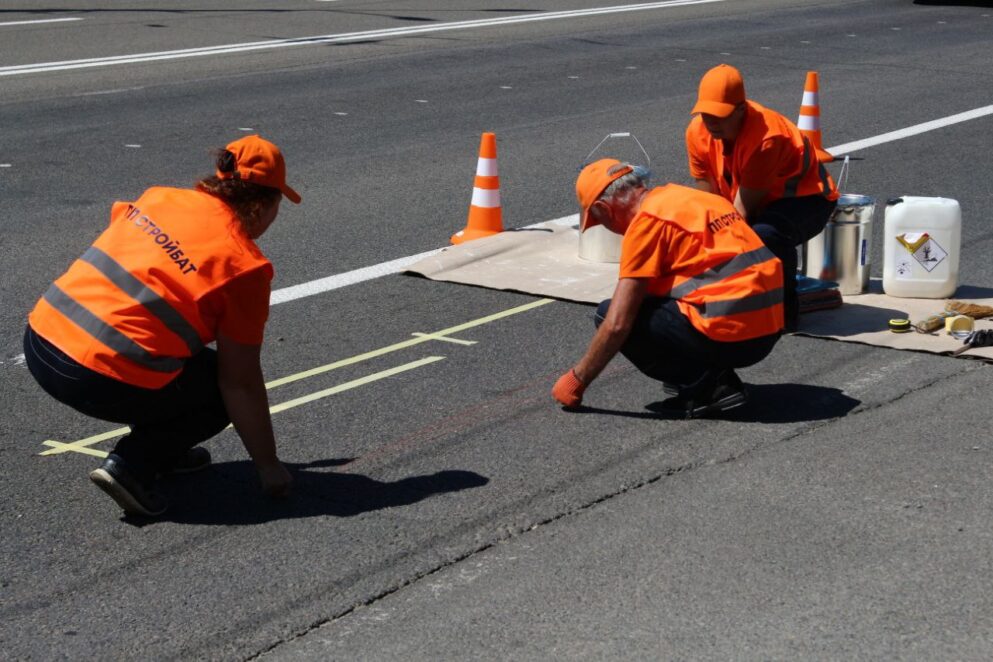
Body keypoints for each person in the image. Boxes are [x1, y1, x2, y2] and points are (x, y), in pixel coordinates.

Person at [24, 135, 300, 517]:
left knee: (180, 357)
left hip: (40, 341)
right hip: (93, 375)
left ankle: (166, 452)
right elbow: (241, 382)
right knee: (220, 392)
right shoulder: (244, 266)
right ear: (262, 204)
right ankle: (132, 466)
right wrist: (268, 465)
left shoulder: (160, 198)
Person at [551, 159, 784, 417]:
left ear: (603, 208)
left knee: (608, 313)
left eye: (600, 222)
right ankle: (706, 375)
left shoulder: (646, 223)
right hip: (770, 325)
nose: (611, 231)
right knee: (649, 300)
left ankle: (710, 388)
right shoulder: (695, 199)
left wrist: (577, 379)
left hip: (737, 336)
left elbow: (617, 323)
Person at [685, 63, 839, 330]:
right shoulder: (696, 132)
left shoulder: (767, 137)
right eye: (706, 114)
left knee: (766, 234)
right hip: (757, 200)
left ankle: (784, 313)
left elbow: (742, 212)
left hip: (807, 200)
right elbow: (707, 200)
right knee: (706, 235)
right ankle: (752, 295)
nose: (711, 123)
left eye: (720, 116)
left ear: (741, 110)